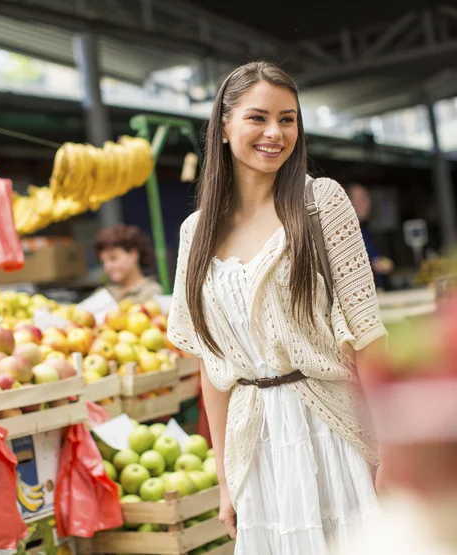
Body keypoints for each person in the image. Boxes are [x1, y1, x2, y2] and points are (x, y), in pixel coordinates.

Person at [167, 61, 388, 554]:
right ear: (224, 126)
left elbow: (369, 334)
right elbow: (213, 365)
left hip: (335, 434)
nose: (275, 132)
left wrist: (391, 447)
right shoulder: (195, 233)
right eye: (258, 117)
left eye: (288, 119)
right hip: (257, 446)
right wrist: (227, 480)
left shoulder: (320, 202)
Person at [93, 224, 163, 305]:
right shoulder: (104, 293)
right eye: (103, 262)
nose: (107, 267)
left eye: (113, 258)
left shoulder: (152, 292)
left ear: (134, 254)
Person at [346, 183, 394, 287]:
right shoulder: (344, 234)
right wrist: (372, 266)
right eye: (362, 199)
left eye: (367, 198)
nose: (368, 203)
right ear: (348, 203)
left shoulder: (365, 230)